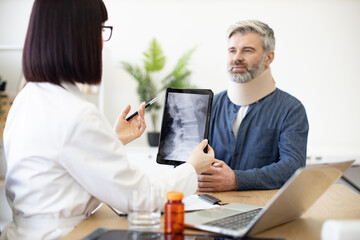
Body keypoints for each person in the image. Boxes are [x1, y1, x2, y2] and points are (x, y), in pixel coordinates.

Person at [0, 0, 215, 239]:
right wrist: (192, 168)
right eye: (100, 29)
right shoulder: (76, 114)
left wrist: (113, 139)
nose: (102, 42)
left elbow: (61, 171)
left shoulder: (26, 98)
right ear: (78, 36)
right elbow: (140, 198)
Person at [197, 20, 309, 192]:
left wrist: (237, 180)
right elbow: (185, 160)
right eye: (232, 50)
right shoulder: (210, 105)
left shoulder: (291, 109)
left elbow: (293, 167)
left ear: (269, 57)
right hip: (210, 205)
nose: (237, 58)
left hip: (263, 208)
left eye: (247, 50)